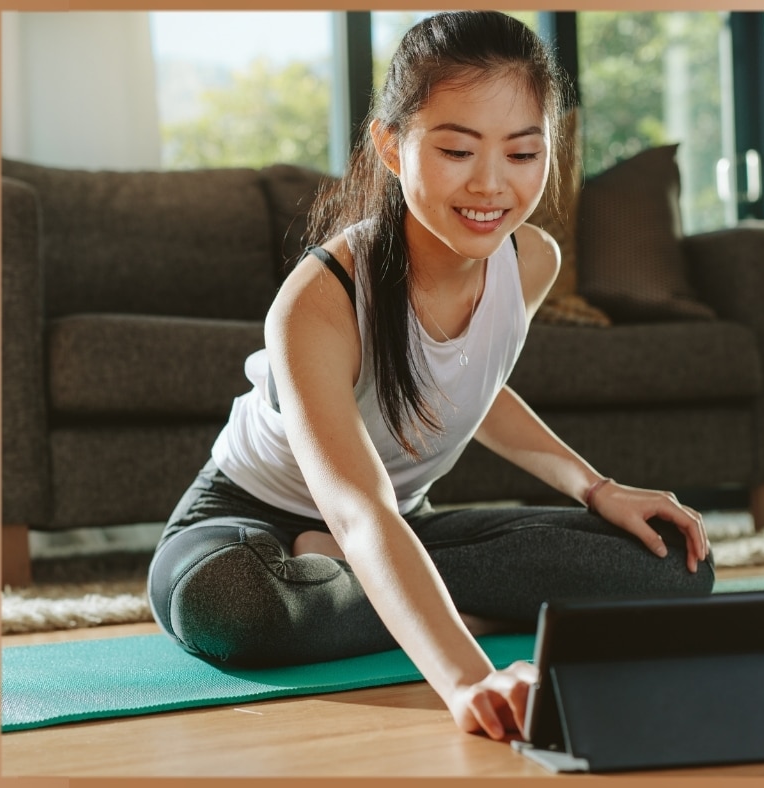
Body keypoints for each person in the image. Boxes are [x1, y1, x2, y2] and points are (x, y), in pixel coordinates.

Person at [148, 10, 713, 743]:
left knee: (675, 565)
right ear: (391, 145)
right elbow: (358, 511)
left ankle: (379, 590)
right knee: (229, 609)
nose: (491, 185)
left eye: (522, 153)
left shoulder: (529, 261)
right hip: (251, 529)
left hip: (394, 529)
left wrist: (597, 490)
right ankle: (410, 597)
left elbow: (474, 386)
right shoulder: (320, 299)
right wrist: (470, 678)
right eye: (456, 149)